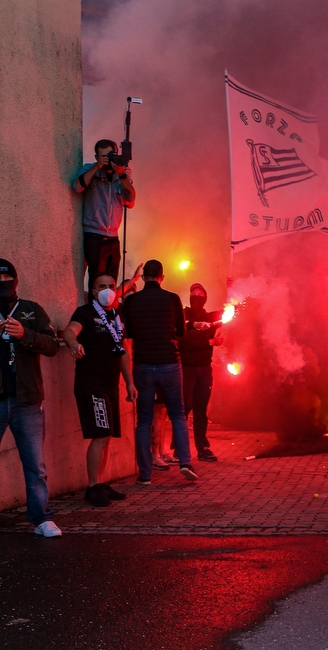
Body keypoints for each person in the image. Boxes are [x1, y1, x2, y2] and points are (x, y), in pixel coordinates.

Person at [62, 273, 138, 507]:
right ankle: (93, 486)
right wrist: (74, 343)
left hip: (110, 383)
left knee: (107, 437)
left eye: (111, 286)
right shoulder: (84, 312)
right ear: (93, 291)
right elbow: (68, 331)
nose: (108, 290)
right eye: (102, 286)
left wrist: (129, 381)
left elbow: (123, 350)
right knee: (101, 434)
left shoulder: (116, 315)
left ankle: (101, 483)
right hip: (91, 383)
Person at [0, 260, 62, 536]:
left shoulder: (30, 309)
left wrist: (25, 335)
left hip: (27, 399)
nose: (2, 282)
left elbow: (52, 345)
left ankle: (41, 519)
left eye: (6, 277)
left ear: (15, 280)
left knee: (35, 465)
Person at [121, 260, 198, 484]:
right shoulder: (172, 298)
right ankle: (185, 462)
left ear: (144, 277)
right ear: (162, 277)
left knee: (144, 420)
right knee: (177, 414)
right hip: (169, 363)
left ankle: (145, 474)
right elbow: (181, 331)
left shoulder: (132, 300)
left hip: (143, 364)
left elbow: (129, 332)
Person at [70, 139, 135, 291]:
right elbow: (76, 187)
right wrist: (97, 167)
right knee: (97, 282)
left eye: (111, 155)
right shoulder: (89, 169)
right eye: (103, 156)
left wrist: (122, 175)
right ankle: (95, 310)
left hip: (113, 237)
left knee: (110, 282)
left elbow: (130, 200)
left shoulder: (122, 173)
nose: (108, 159)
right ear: (96, 156)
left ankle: (108, 311)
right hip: (94, 236)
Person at [178, 283, 222, 462]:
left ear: (205, 298)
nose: (196, 297)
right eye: (193, 294)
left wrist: (232, 289)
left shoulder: (209, 317)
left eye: (200, 294)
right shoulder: (183, 316)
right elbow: (184, 342)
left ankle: (202, 448)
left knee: (201, 410)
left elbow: (230, 309)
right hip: (187, 369)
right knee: (184, 407)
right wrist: (208, 342)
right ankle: (178, 447)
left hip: (205, 369)